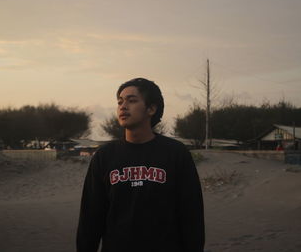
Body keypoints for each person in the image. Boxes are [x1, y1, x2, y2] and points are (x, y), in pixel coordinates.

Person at [76, 78, 205, 252]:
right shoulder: (104, 156)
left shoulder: (176, 153)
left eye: (132, 100)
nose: (123, 106)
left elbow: (191, 214)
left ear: (151, 108)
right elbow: (90, 216)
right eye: (120, 102)